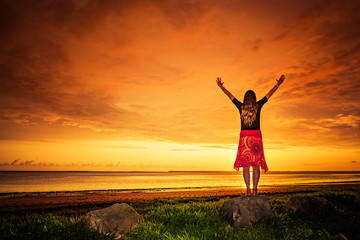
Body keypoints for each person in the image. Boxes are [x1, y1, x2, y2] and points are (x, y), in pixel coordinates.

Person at [216, 75, 285, 196]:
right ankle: (255, 191)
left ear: (245, 98)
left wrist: (221, 87)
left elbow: (230, 96)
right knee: (256, 165)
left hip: (244, 138)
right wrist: (278, 84)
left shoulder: (241, 106)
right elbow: (270, 94)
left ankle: (248, 190)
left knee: (246, 166)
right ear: (254, 98)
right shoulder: (258, 105)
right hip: (256, 137)